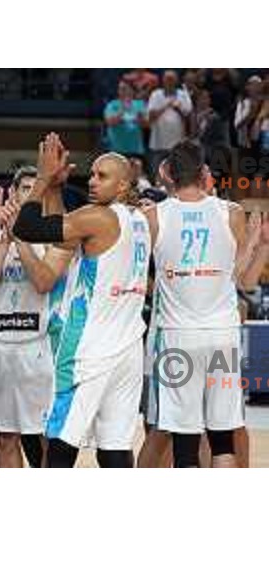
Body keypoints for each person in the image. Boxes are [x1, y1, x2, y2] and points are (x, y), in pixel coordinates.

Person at [13, 135, 151, 468]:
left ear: (122, 186)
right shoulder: (142, 220)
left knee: (61, 442)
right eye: (91, 173)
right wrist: (58, 189)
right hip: (128, 348)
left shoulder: (98, 217)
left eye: (102, 176)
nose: (91, 180)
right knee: (115, 447)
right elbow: (67, 236)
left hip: (89, 349)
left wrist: (43, 179)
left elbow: (27, 226)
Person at [144, 141, 249, 468]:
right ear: (204, 172)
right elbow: (241, 276)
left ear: (168, 174)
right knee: (222, 441)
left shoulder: (152, 216)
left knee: (185, 445)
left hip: (178, 338)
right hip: (222, 335)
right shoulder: (232, 213)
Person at [0, 165, 73, 468]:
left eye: (35, 187)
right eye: (23, 188)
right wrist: (5, 241)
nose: (29, 192)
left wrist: (20, 238)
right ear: (14, 194)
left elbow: (43, 282)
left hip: (38, 349)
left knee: (46, 438)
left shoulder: (56, 235)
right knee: (5, 440)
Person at [147, 70, 192, 174]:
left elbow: (188, 116)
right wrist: (167, 105)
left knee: (177, 175)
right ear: (163, 80)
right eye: (167, 79)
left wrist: (178, 109)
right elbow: (151, 116)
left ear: (176, 81)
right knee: (157, 174)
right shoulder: (156, 94)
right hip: (158, 143)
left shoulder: (183, 94)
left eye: (172, 79)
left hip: (178, 144)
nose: (169, 82)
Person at [104, 80, 147, 157]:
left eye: (124, 89)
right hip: (116, 150)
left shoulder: (139, 104)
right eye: (120, 89)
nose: (121, 91)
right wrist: (123, 108)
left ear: (131, 90)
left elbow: (146, 125)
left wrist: (140, 119)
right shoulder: (112, 105)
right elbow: (110, 122)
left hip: (135, 150)